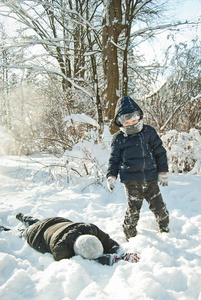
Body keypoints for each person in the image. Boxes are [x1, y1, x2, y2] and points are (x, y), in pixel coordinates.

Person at [107, 96, 169, 240]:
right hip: (131, 181)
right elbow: (114, 159)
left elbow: (160, 152)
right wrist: (111, 175)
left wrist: (163, 172)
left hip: (151, 179)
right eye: (127, 121)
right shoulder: (119, 138)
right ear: (120, 122)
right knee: (133, 210)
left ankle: (165, 230)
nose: (131, 123)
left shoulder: (149, 132)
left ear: (139, 115)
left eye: (134, 119)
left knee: (159, 207)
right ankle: (130, 235)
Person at [0, 213, 140, 265]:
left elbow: (108, 242)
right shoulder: (61, 250)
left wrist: (120, 254)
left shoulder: (88, 228)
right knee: (23, 232)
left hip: (52, 221)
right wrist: (107, 259)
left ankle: (23, 217)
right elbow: (80, 261)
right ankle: (6, 229)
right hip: (35, 235)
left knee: (36, 221)